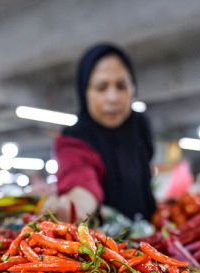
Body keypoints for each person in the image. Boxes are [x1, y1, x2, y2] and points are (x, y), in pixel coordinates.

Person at [46, 43, 156, 221]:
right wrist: (75, 206)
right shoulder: (73, 138)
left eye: (121, 86)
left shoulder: (140, 125)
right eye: (101, 87)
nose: (112, 98)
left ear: (133, 88)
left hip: (148, 232)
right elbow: (80, 180)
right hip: (106, 242)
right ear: (84, 92)